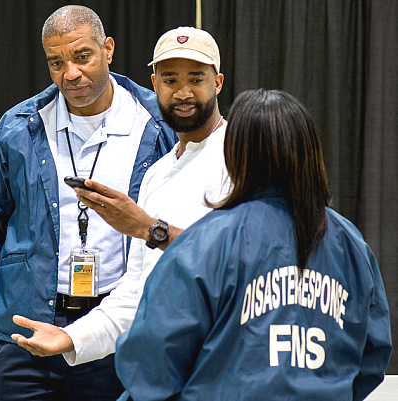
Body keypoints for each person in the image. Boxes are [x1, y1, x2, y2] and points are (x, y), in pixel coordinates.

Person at [0, 5, 176, 401]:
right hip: (27, 333)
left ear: (108, 48)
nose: (70, 73)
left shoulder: (156, 123)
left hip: (118, 331)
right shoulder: (20, 127)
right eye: (56, 62)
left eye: (82, 56)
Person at [114, 89, 393, 401]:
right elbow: (372, 355)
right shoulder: (351, 243)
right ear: (310, 151)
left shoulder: (205, 242)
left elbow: (151, 363)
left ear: (234, 155)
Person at [11, 26, 231, 369]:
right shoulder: (158, 173)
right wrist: (71, 338)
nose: (183, 93)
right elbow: (134, 294)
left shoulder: (242, 158)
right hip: (166, 364)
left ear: (217, 83)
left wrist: (149, 229)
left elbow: (243, 266)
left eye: (196, 79)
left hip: (223, 358)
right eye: (171, 80)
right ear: (155, 84)